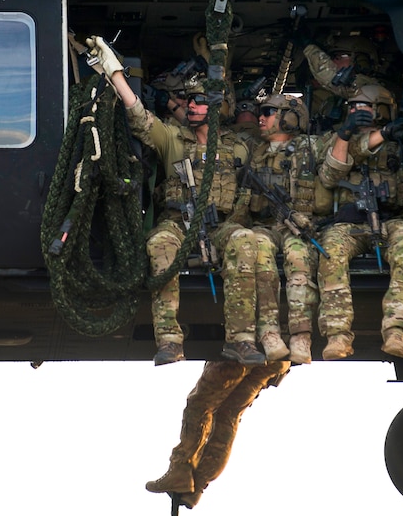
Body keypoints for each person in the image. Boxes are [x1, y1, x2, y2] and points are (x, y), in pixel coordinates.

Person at [85, 38, 266, 367]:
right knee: (160, 244)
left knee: (244, 239)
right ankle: (169, 340)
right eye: (190, 102)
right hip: (179, 223)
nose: (191, 106)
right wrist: (114, 73)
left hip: (223, 224)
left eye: (198, 101)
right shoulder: (173, 138)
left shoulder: (240, 147)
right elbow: (138, 115)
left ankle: (241, 339)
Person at [317, 85, 403, 359]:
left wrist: (397, 131)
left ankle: (397, 329)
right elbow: (329, 176)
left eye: (362, 107)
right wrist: (346, 131)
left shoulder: (399, 140)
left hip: (391, 219)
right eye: (351, 107)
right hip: (350, 223)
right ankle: (337, 335)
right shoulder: (337, 140)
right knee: (331, 253)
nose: (354, 111)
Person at [244, 94, 337, 364]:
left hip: (300, 226)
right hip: (265, 226)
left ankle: (301, 336)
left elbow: (345, 148)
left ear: (289, 118)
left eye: (269, 112)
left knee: (299, 259)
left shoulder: (312, 147)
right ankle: (269, 333)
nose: (260, 118)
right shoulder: (253, 150)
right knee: (259, 253)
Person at [145, 360, 291, 508]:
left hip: (240, 352)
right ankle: (198, 483)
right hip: (277, 358)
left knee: (200, 405)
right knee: (228, 415)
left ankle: (180, 470)